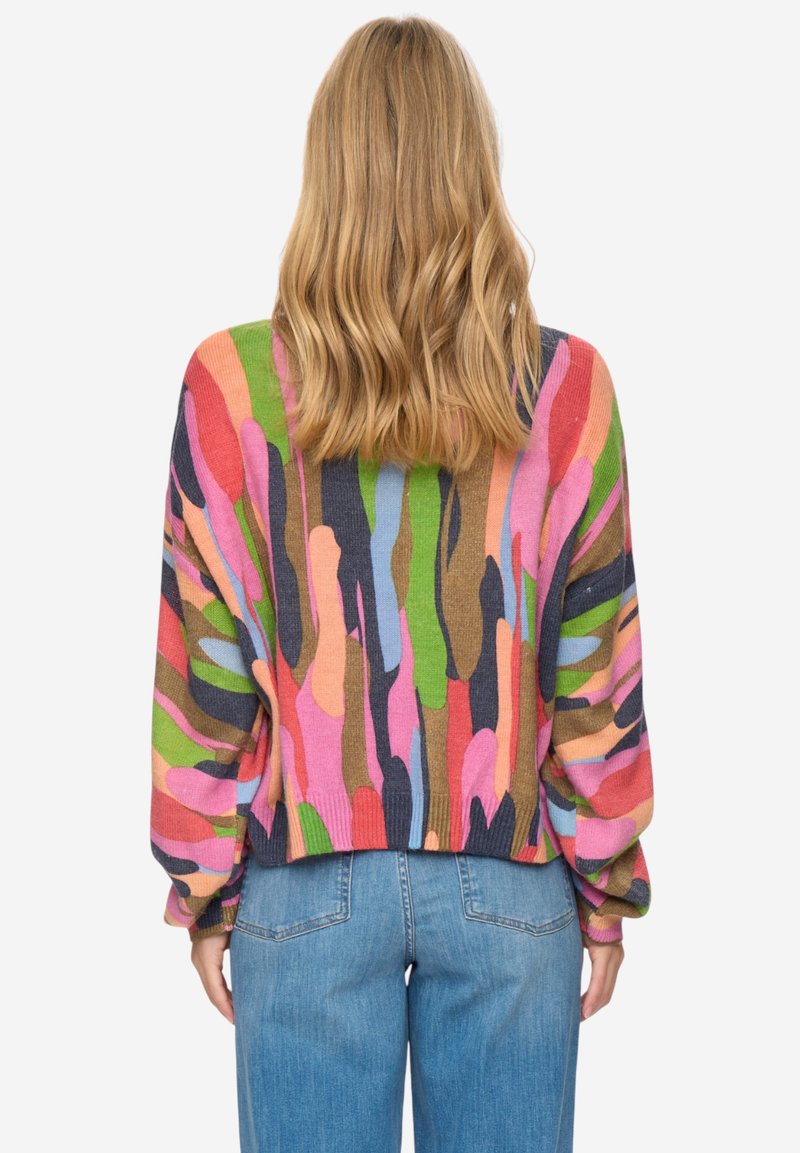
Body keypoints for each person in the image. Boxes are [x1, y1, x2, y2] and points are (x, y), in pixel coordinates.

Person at [149, 15, 654, 1153]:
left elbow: (204, 671)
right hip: (511, 879)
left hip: (305, 880)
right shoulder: (565, 389)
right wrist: (607, 884)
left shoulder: (231, 387)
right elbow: (594, 670)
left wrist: (202, 889)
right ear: (475, 170)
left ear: (327, 169)